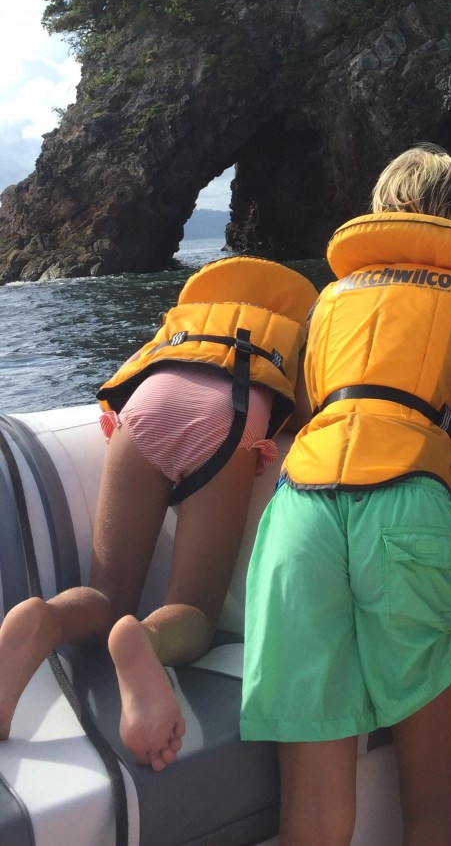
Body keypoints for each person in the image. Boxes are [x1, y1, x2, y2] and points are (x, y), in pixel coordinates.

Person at [239, 144, 451, 846]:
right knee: (432, 802)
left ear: (383, 214)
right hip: (408, 508)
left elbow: (310, 414)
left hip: (300, 511)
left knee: (312, 813)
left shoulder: (328, 302)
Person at [0, 255, 317, 772]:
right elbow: (307, 410)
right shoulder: (293, 331)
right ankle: (144, 640)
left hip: (147, 404)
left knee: (107, 592)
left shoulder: (186, 323)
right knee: (194, 611)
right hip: (229, 412)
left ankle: (46, 619)